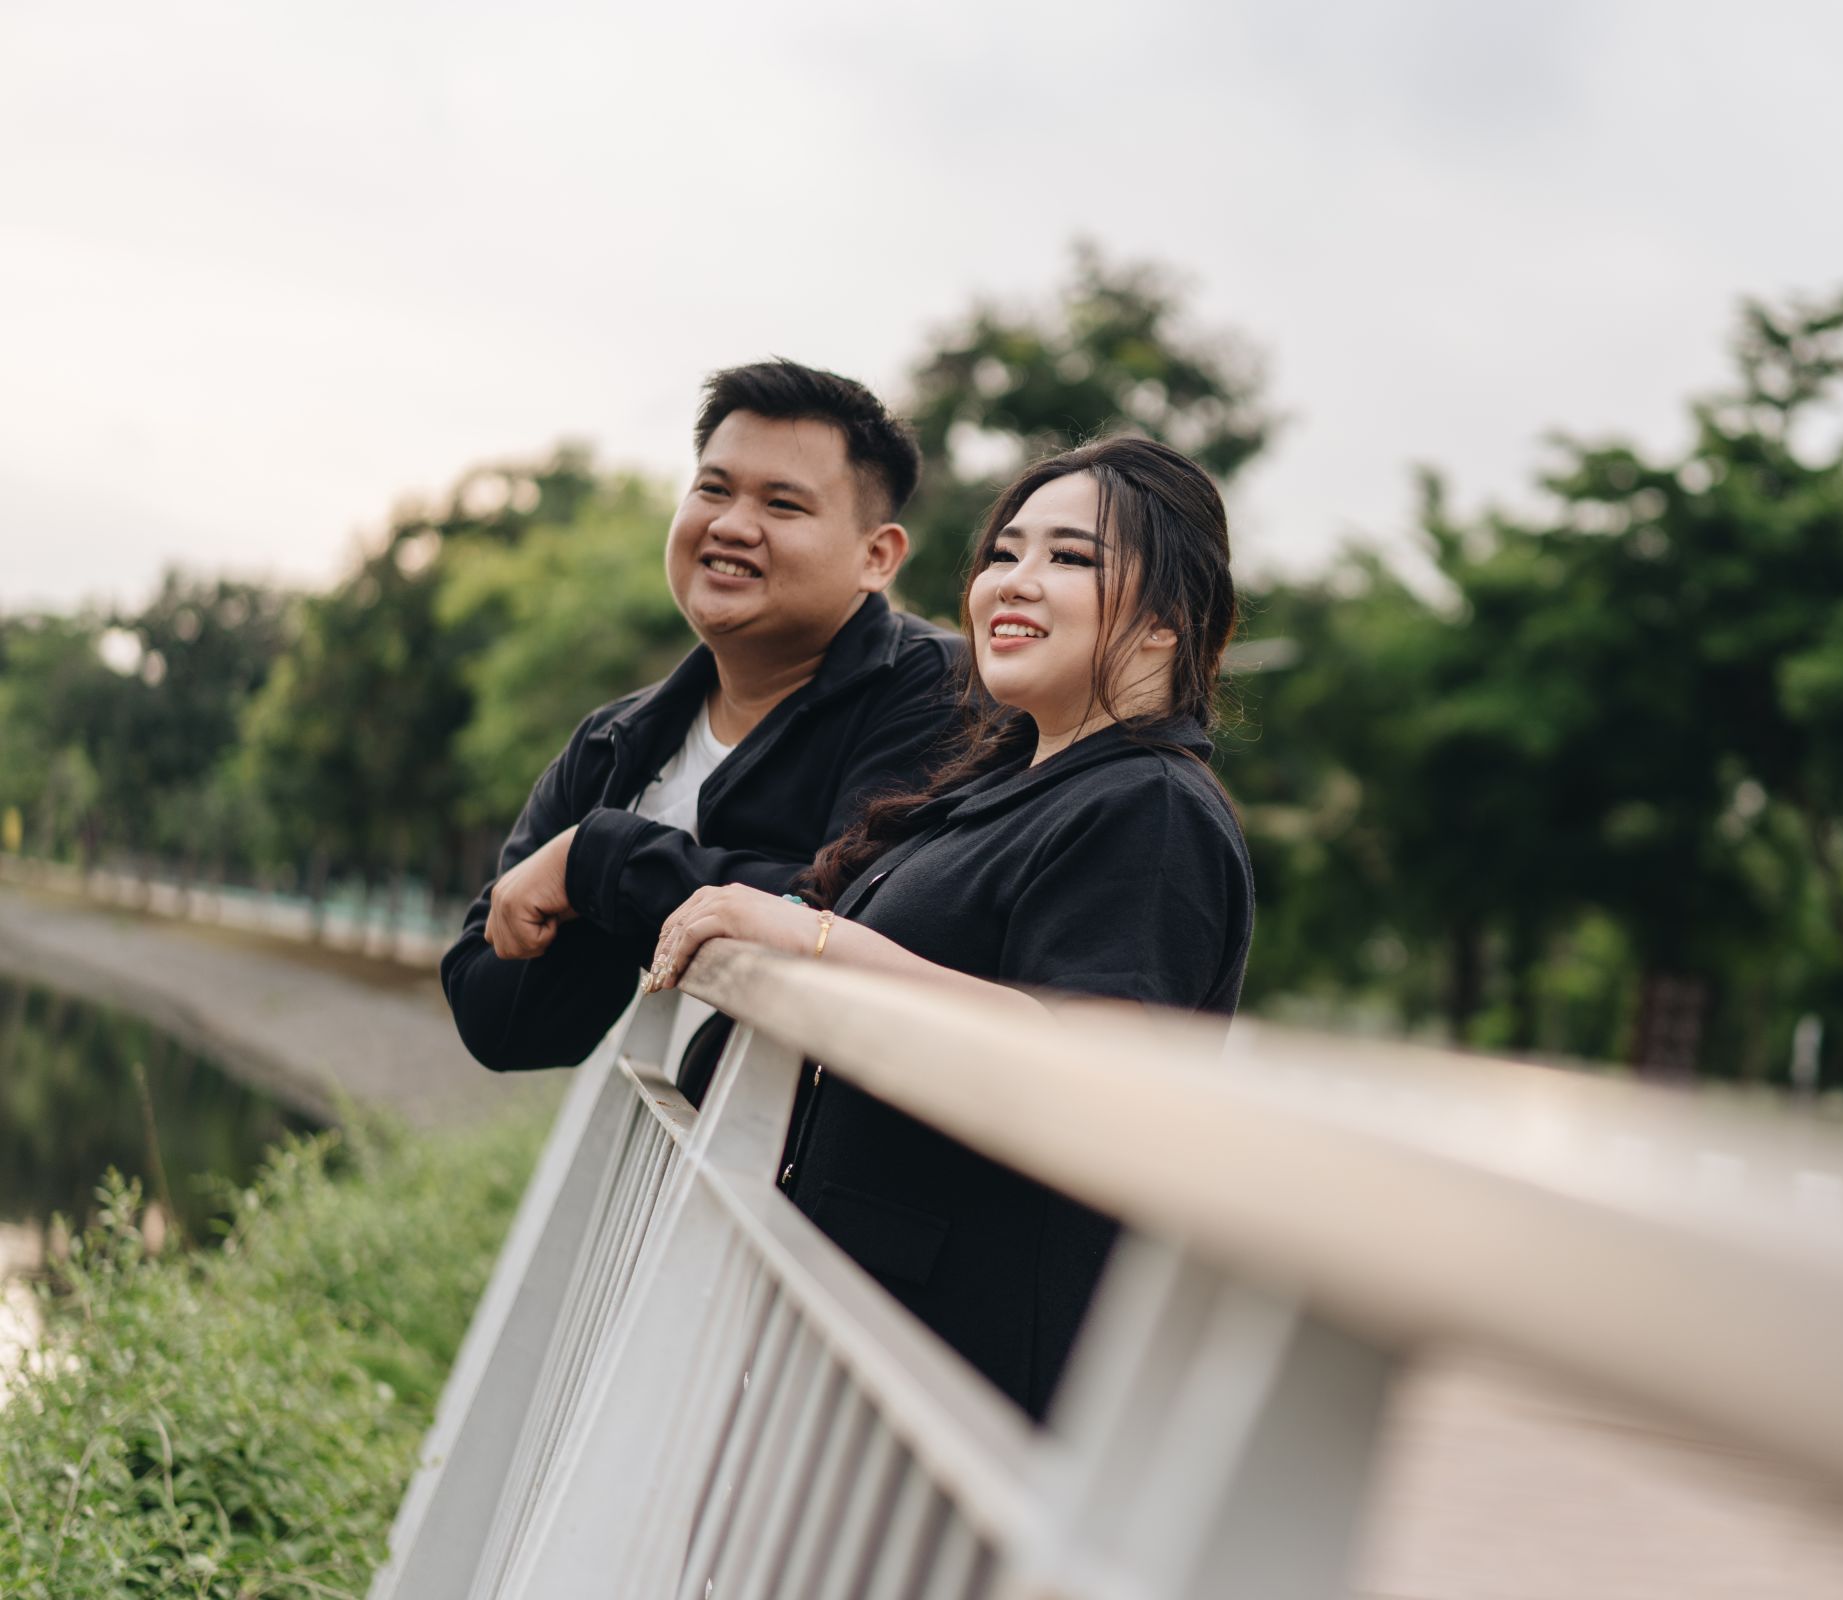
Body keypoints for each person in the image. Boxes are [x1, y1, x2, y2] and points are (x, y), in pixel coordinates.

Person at [645, 435, 1253, 1419]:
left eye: (1070, 557)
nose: (1013, 581)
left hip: (962, 1377)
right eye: (1004, 552)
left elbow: (1091, 1063)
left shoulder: (1151, 808)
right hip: (856, 1327)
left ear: (1165, 622)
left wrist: (817, 941)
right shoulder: (1007, 789)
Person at [441, 360, 963, 1073]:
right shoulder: (617, 740)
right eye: (713, 489)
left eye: (782, 504)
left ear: (877, 556)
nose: (731, 524)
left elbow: (855, 918)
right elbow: (498, 1022)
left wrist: (599, 861)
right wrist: (603, 891)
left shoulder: (941, 691)